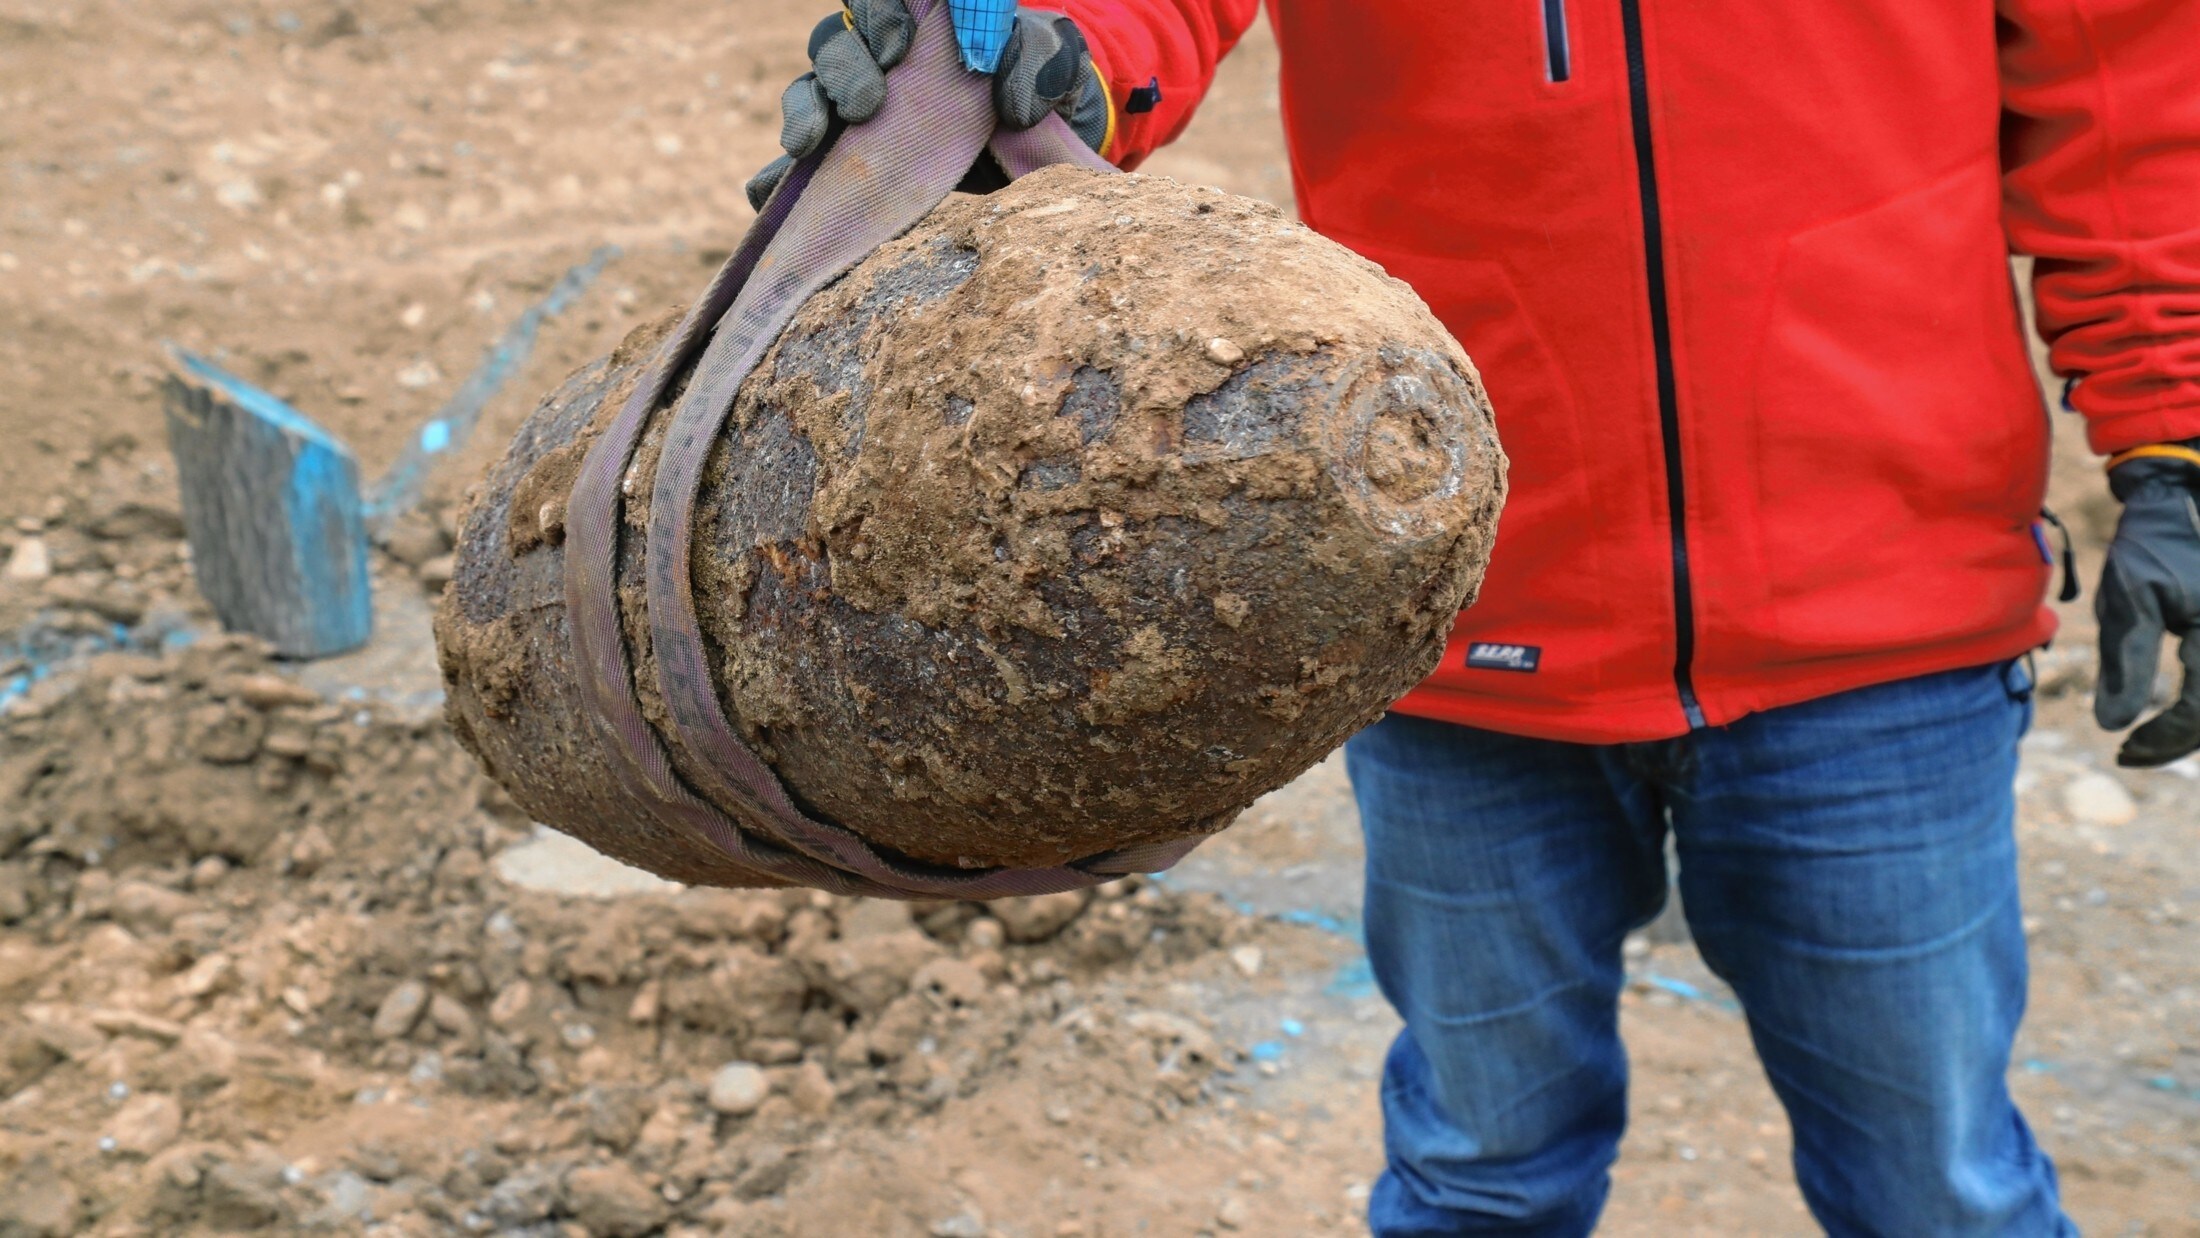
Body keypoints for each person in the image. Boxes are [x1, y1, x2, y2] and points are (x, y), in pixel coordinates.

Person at [754, 3, 2200, 1232]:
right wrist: (1051, 55)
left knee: (1937, 1194)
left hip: (1883, 630)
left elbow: (2126, 94)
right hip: (1459, 614)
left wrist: (2177, 447)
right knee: (1483, 1181)